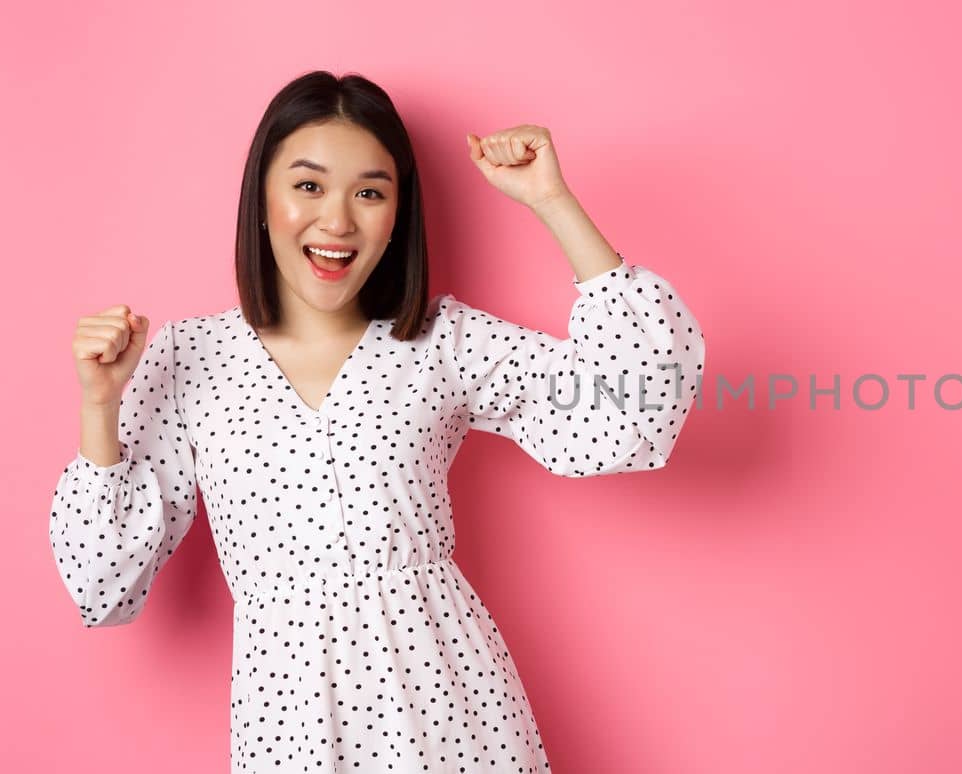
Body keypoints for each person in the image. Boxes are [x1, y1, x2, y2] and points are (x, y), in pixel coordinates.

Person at [49, 70, 705, 773]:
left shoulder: (440, 342)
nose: (337, 221)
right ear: (261, 202)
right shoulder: (186, 357)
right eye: (308, 186)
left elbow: (635, 415)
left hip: (454, 712)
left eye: (369, 192)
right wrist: (100, 406)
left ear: (398, 216)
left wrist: (552, 201)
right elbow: (103, 586)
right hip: (289, 728)